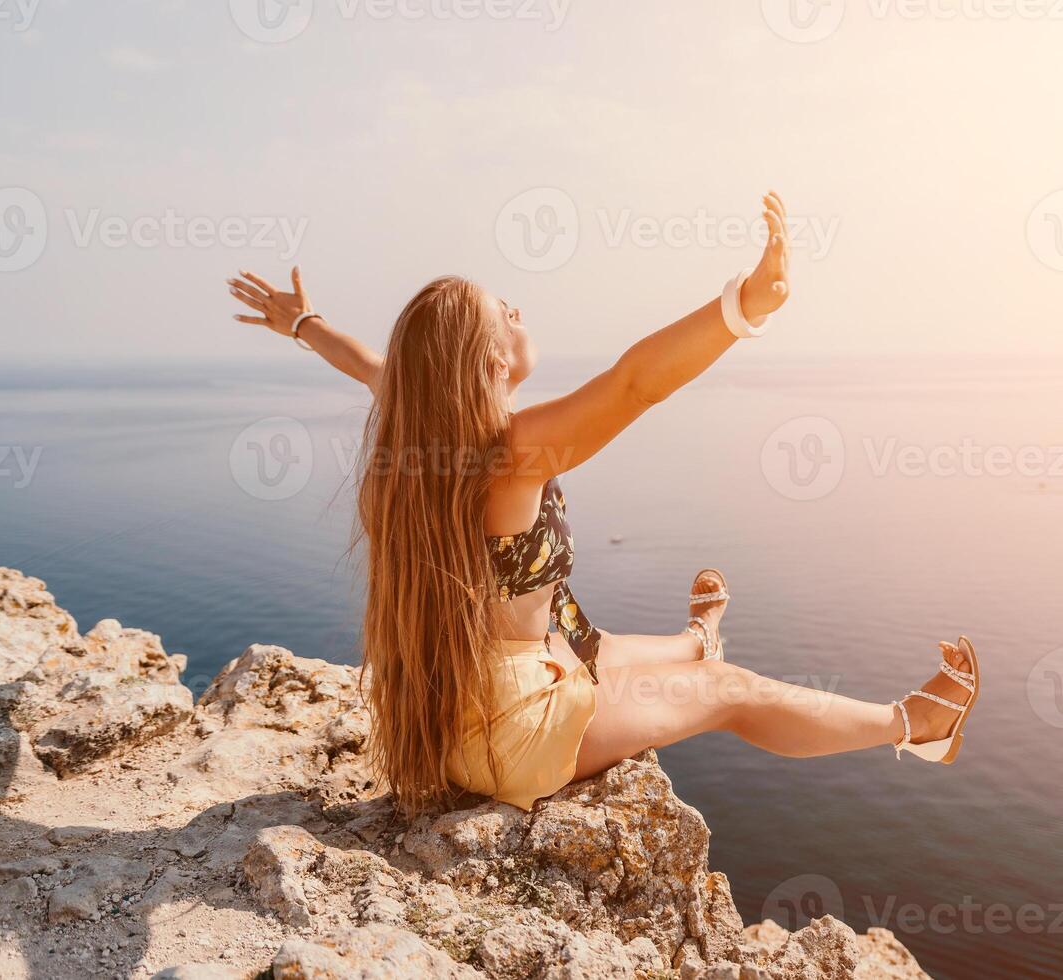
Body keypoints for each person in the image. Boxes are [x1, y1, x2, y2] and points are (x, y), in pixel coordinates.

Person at [226, 191, 980, 815]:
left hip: (464, 714)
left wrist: (302, 324)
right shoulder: (511, 452)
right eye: (508, 312)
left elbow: (371, 366)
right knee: (729, 692)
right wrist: (747, 305)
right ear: (490, 360)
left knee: (597, 642)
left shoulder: (419, 436)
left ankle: (693, 641)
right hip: (512, 736)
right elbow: (632, 384)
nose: (521, 314)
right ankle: (916, 725)